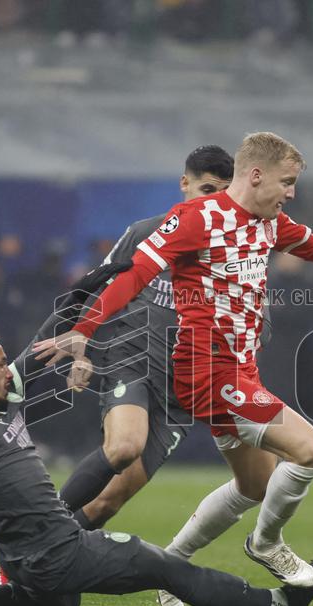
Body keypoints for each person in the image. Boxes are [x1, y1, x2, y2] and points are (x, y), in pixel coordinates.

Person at [34, 131, 313, 606]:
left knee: (255, 485)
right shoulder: (196, 219)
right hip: (207, 371)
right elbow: (134, 274)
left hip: (240, 371)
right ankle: (266, 544)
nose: (292, 193)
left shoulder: (269, 224)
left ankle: (172, 571)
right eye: (287, 182)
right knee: (310, 449)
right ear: (257, 175)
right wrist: (84, 329)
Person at [0, 327, 313, 606]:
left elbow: (36, 352)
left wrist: (82, 312)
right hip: (57, 551)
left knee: (62, 604)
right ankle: (280, 603)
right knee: (164, 566)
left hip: (25, 561)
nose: (7, 370)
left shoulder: (0, 399)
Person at [56, 145, 237, 530]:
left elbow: (261, 324)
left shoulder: (238, 250)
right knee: (124, 447)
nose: (215, 202)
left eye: (224, 193)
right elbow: (94, 287)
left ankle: (39, 558)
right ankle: (35, 528)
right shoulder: (146, 233)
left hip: (182, 394)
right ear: (184, 184)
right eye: (207, 190)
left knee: (106, 503)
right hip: (133, 362)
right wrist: (78, 348)